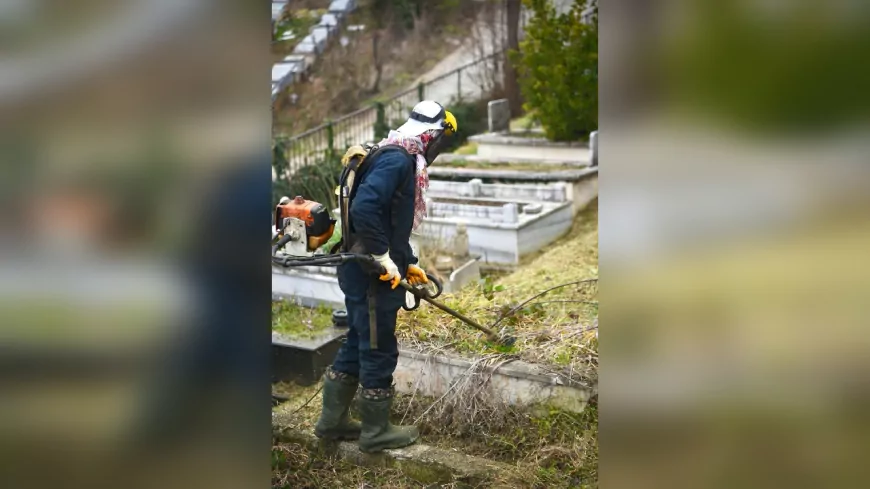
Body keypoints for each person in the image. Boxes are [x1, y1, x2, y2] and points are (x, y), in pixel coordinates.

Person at [314, 100, 457, 453]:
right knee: (379, 347)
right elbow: (365, 209)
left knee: (360, 337)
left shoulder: (391, 152)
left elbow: (389, 220)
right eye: (441, 139)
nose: (438, 147)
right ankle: (375, 432)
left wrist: (405, 260)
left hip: (362, 268)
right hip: (370, 273)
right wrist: (381, 257)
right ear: (432, 134)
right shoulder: (398, 160)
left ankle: (331, 422)